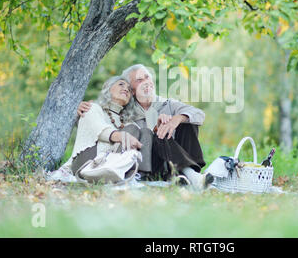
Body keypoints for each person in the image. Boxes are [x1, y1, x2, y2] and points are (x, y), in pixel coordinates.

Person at [78, 64, 213, 189]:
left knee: (188, 121)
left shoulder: (168, 104)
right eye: (139, 80)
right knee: (157, 132)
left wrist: (176, 120)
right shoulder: (126, 110)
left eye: (147, 77)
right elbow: (103, 116)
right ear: (132, 90)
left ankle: (189, 174)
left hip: (178, 159)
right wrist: (81, 109)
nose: (145, 82)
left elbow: (199, 114)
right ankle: (189, 177)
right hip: (151, 163)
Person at [51, 75, 143, 182]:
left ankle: (142, 176)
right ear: (107, 87)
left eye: (129, 89)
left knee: (137, 130)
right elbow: (101, 131)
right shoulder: (92, 107)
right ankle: (113, 171)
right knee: (130, 132)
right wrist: (122, 136)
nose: (126, 89)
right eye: (121, 84)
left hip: (112, 164)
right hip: (87, 162)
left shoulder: (129, 123)